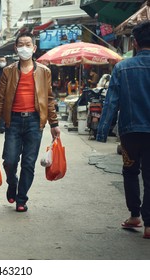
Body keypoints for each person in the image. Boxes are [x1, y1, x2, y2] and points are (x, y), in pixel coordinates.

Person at [0, 32, 60, 212]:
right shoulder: (8, 71)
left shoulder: (44, 72)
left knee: (28, 162)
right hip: (13, 121)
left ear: (34, 48)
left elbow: (49, 99)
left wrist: (54, 124)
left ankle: (22, 199)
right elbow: (0, 99)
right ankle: (12, 183)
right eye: (21, 44)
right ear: (16, 48)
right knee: (10, 161)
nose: (24, 48)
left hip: (35, 122)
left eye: (28, 44)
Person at [96, 20, 150, 239]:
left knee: (130, 171)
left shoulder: (122, 67)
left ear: (134, 43)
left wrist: (102, 132)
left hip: (129, 131)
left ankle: (135, 215)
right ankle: (149, 225)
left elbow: (111, 102)